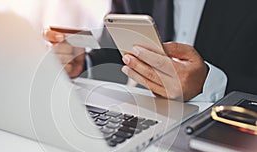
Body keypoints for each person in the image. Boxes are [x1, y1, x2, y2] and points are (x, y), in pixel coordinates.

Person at [44, 0, 257, 102]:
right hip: (147, 116)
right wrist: (84, 64)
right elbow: (118, 53)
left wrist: (211, 85)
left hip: (230, 137)